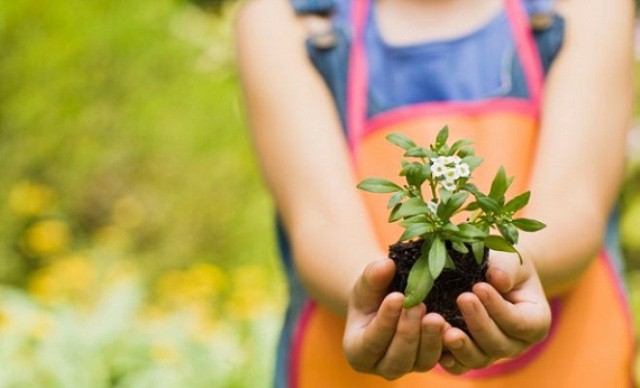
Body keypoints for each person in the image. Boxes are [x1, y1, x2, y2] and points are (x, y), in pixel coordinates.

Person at [236, 0, 635, 386]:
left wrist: (507, 267)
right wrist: (382, 296)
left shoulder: (580, 7)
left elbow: (575, 207)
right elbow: (319, 225)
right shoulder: (289, 20)